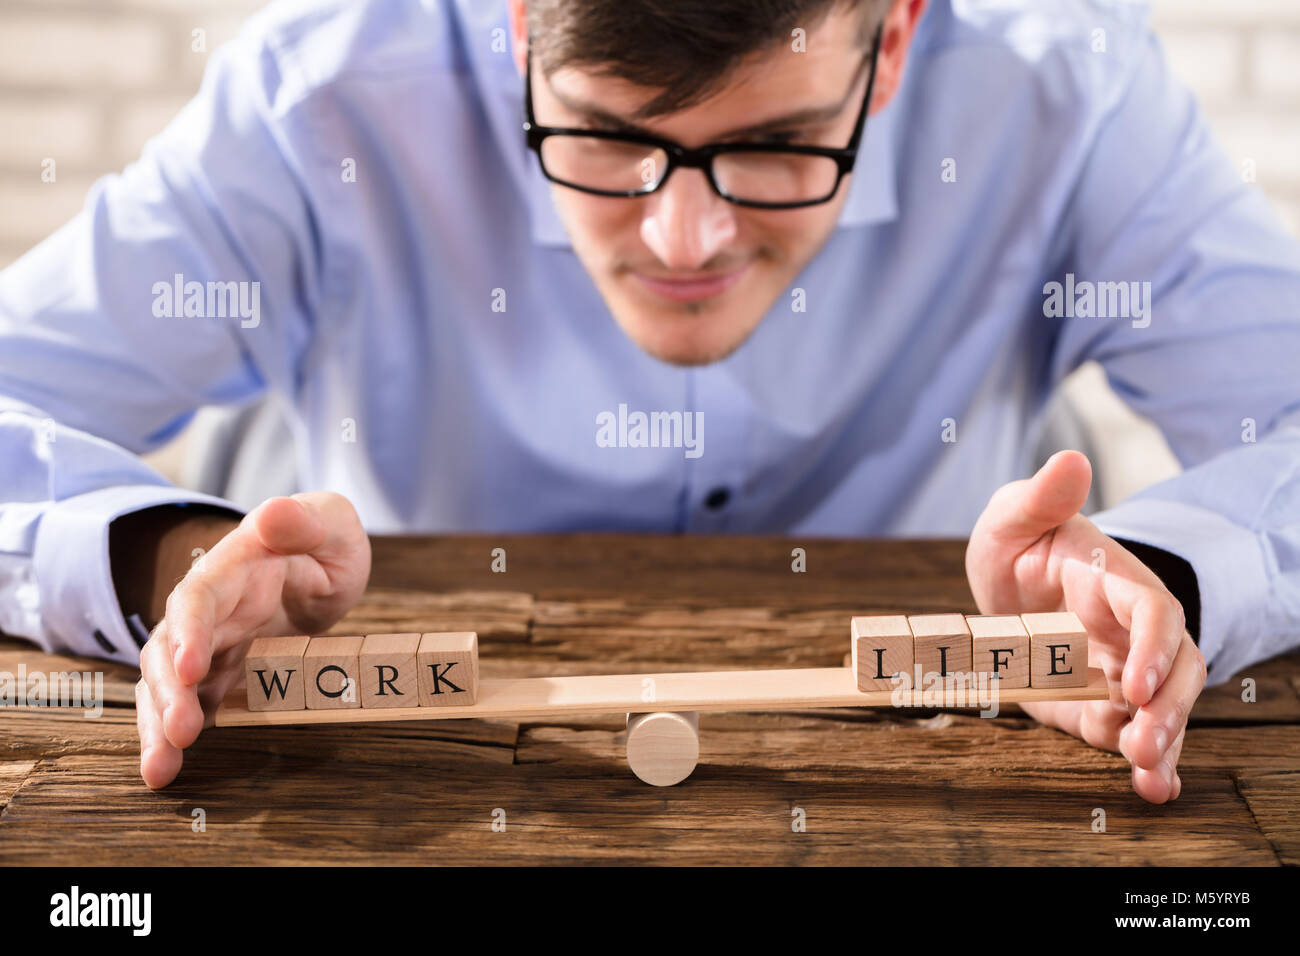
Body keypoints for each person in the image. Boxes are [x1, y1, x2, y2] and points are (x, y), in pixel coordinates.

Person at [0, 0, 1296, 803]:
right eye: (610, 137)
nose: (684, 241)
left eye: (776, 144)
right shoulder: (317, 98)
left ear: (893, 42)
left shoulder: (1070, 90)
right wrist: (166, 560)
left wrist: (1164, 584)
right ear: (519, 30)